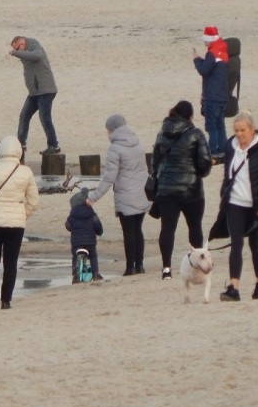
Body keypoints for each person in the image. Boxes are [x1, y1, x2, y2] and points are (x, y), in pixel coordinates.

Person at [212, 111, 258, 302]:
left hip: (256, 204)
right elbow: (228, 173)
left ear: (252, 130)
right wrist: (224, 193)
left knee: (255, 244)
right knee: (236, 244)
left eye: (243, 130)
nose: (239, 134)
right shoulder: (230, 147)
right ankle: (233, 287)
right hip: (235, 203)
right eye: (236, 130)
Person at [0, 135, 39, 311]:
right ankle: (6, 300)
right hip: (16, 223)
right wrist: (22, 214)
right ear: (19, 151)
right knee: (11, 262)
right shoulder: (25, 172)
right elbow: (34, 201)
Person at [151, 100, 212, 280]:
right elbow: (205, 162)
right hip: (190, 189)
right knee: (194, 226)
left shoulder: (162, 132)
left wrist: (160, 179)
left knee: (167, 228)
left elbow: (154, 161)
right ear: (190, 116)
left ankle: (166, 269)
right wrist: (199, 173)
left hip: (166, 190)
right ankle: (197, 264)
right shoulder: (195, 134)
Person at [86, 114, 151, 276]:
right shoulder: (137, 143)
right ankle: (140, 265)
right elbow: (144, 170)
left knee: (129, 232)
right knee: (137, 230)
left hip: (126, 195)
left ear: (113, 130)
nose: (107, 134)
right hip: (141, 193)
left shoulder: (115, 148)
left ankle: (130, 267)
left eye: (108, 130)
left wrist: (94, 196)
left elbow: (109, 177)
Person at [9, 35, 61, 155]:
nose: (17, 52)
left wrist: (15, 53)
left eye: (17, 48)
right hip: (34, 93)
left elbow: (37, 56)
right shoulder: (25, 53)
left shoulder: (34, 45)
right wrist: (19, 53)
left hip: (46, 90)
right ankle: (21, 144)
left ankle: (54, 145)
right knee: (24, 116)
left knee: (45, 118)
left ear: (22, 43)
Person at [193, 26, 230, 161]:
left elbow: (204, 70)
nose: (204, 43)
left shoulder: (212, 53)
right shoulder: (223, 51)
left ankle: (213, 151)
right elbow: (212, 68)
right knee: (220, 124)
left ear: (209, 39)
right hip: (223, 96)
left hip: (212, 96)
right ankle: (222, 149)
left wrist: (196, 60)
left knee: (212, 126)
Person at [66, 188, 104, 281]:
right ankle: (95, 273)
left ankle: (75, 273)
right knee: (93, 256)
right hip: (90, 243)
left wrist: (73, 229)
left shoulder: (73, 215)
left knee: (75, 256)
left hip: (77, 243)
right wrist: (99, 232)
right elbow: (98, 227)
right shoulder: (92, 214)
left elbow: (67, 225)